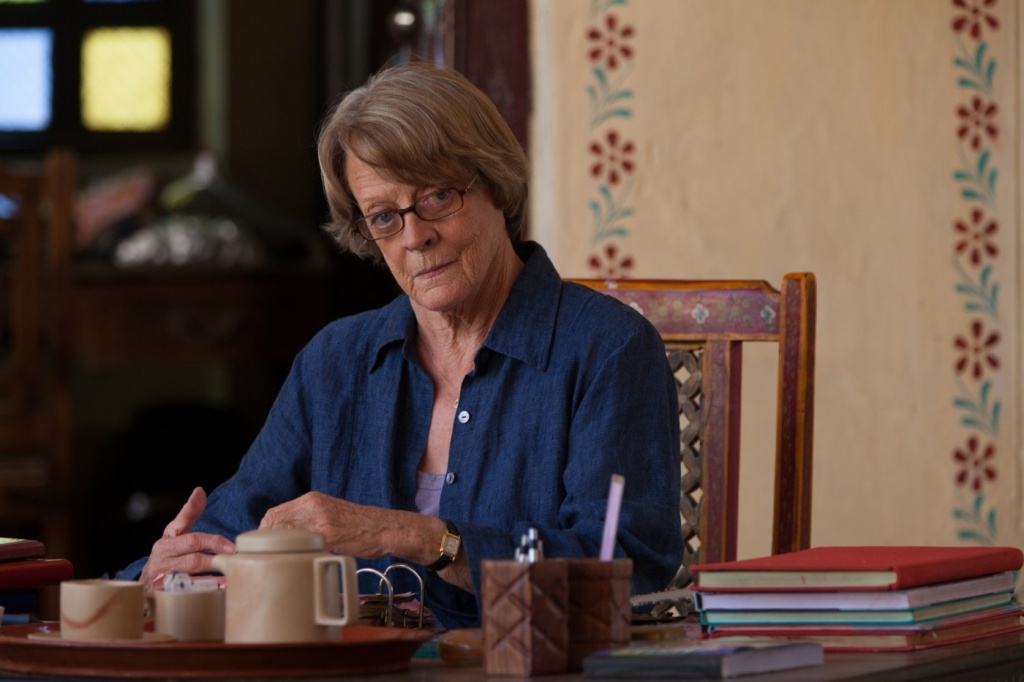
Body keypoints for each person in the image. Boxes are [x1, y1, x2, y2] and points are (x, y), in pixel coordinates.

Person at [121, 61, 683, 628]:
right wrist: (157, 574)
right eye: (385, 217)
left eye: (438, 197)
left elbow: (624, 572)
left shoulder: (608, 349)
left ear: (494, 183)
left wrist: (416, 537)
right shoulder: (335, 362)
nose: (415, 237)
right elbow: (230, 529)